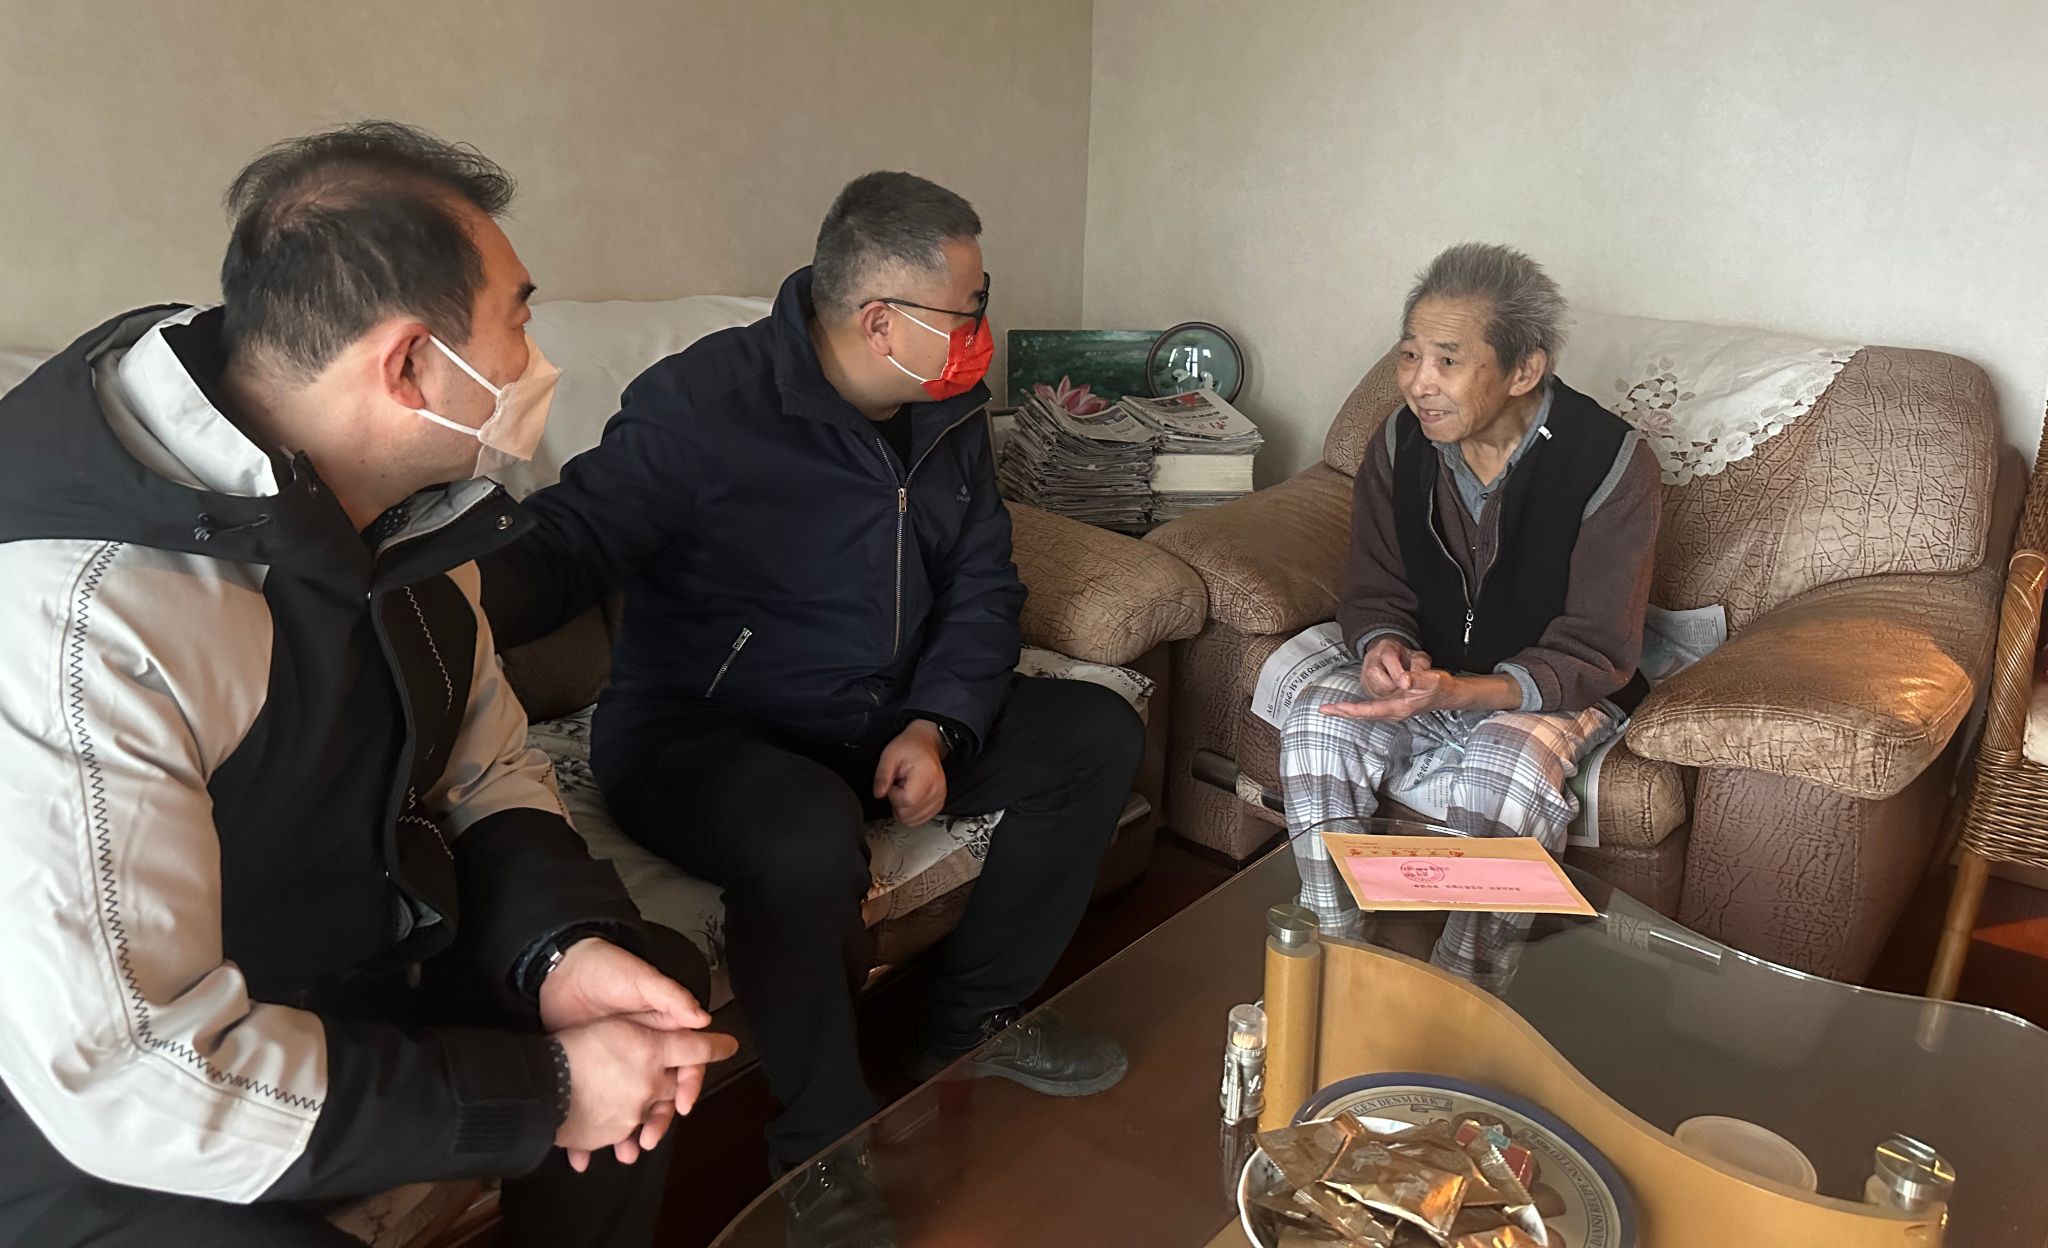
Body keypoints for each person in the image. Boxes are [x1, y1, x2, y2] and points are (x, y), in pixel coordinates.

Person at [0, 122, 737, 1248]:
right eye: (519, 319)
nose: (535, 360)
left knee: (645, 1002)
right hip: (86, 1104)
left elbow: (486, 770)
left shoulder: (408, 521)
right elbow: (129, 1077)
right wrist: (543, 1091)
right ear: (410, 366)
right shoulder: (89, 612)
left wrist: (558, 948)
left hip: (332, 965)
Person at [481, 170, 1144, 1246]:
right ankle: (819, 1146)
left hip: (882, 718)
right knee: (800, 833)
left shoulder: (947, 406)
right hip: (703, 736)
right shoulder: (705, 403)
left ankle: (968, 1022)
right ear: (881, 320)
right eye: (967, 308)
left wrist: (939, 722)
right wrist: (444, 591)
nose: (981, 329)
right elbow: (571, 544)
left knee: (1095, 735)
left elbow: (984, 584)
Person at [1279, 243, 1660, 977]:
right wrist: (1383, 646)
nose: (1419, 384)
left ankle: (1467, 984)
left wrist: (1464, 692)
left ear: (1524, 370)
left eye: (1448, 361)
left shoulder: (1610, 462)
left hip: (1551, 687)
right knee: (1319, 723)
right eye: (1409, 356)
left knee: (1503, 771)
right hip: (1433, 674)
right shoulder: (1400, 442)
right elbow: (1376, 584)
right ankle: (1332, 956)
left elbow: (1597, 644)